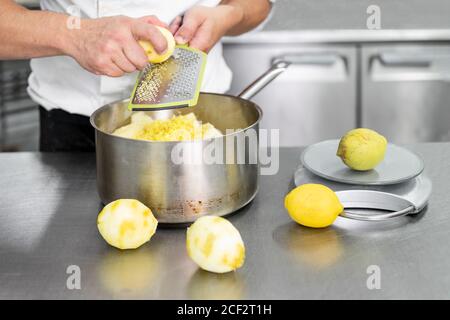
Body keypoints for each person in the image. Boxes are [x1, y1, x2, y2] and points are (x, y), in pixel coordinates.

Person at [0, 0, 272, 151]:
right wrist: (74, 34)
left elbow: (258, 4)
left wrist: (227, 14)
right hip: (71, 126)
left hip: (200, 121)